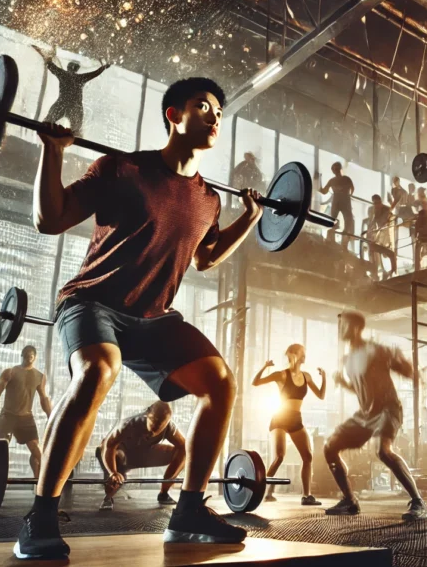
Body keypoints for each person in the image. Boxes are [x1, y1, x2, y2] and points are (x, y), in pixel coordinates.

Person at [19, 76, 264, 559]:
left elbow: (206, 256)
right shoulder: (122, 168)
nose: (215, 116)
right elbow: (50, 219)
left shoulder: (208, 198)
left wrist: (249, 220)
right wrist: (51, 152)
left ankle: (189, 511)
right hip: (92, 301)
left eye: (218, 111)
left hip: (153, 317)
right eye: (203, 106)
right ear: (174, 115)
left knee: (220, 382)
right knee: (97, 372)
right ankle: (41, 515)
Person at [324, 311, 427, 520]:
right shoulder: (347, 359)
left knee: (382, 451)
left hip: (388, 408)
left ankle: (419, 502)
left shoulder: (376, 350)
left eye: (343, 325)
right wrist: (344, 383)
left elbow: (406, 371)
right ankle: (350, 501)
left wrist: (410, 369)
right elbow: (360, 390)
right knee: (330, 447)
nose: (340, 330)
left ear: (356, 328)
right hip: (366, 414)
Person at [251, 344, 326, 505]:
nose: (305, 355)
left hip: (296, 419)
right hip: (280, 417)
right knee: (279, 456)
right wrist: (265, 366)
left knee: (308, 457)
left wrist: (324, 378)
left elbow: (320, 395)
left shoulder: (307, 376)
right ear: (293, 354)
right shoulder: (282, 375)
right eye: (302, 353)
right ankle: (266, 492)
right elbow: (255, 382)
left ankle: (307, 496)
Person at [95, 401, 185, 511]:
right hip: (120, 454)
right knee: (115, 457)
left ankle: (164, 493)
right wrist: (112, 472)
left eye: (161, 424)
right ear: (147, 415)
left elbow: (185, 446)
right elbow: (109, 446)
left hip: (141, 455)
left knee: (184, 450)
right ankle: (108, 497)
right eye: (155, 422)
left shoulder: (170, 428)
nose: (156, 428)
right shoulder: (129, 424)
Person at [0, 345, 52, 477]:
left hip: (26, 418)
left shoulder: (39, 376)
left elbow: (43, 398)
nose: (29, 358)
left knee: (36, 451)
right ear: (22, 355)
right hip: (8, 416)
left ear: (34, 358)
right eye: (27, 355)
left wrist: (50, 415)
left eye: (31, 356)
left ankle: (39, 482)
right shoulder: (10, 372)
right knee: (1, 449)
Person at [32, 45, 110, 137]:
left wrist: (39, 51)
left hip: (62, 104)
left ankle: (48, 137)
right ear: (76, 70)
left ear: (68, 68)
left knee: (46, 123)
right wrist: (104, 66)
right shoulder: (80, 78)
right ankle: (73, 141)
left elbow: (48, 63)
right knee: (77, 132)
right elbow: (95, 73)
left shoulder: (63, 74)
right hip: (75, 107)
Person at [318, 162, 354, 248]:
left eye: (336, 169)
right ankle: (331, 241)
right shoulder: (333, 180)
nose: (336, 171)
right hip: (339, 201)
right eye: (334, 169)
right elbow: (324, 191)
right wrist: (319, 180)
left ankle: (344, 243)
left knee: (347, 221)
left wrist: (349, 195)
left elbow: (352, 188)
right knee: (333, 220)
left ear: (339, 169)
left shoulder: (346, 179)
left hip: (344, 201)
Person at [366, 194, 396, 277]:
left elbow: (386, 222)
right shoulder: (372, 210)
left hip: (385, 235)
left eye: (377, 203)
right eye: (374, 203)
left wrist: (379, 229)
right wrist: (370, 232)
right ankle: (375, 271)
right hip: (375, 236)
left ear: (380, 202)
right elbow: (371, 222)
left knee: (390, 253)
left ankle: (393, 270)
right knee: (372, 250)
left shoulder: (386, 209)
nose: (376, 205)